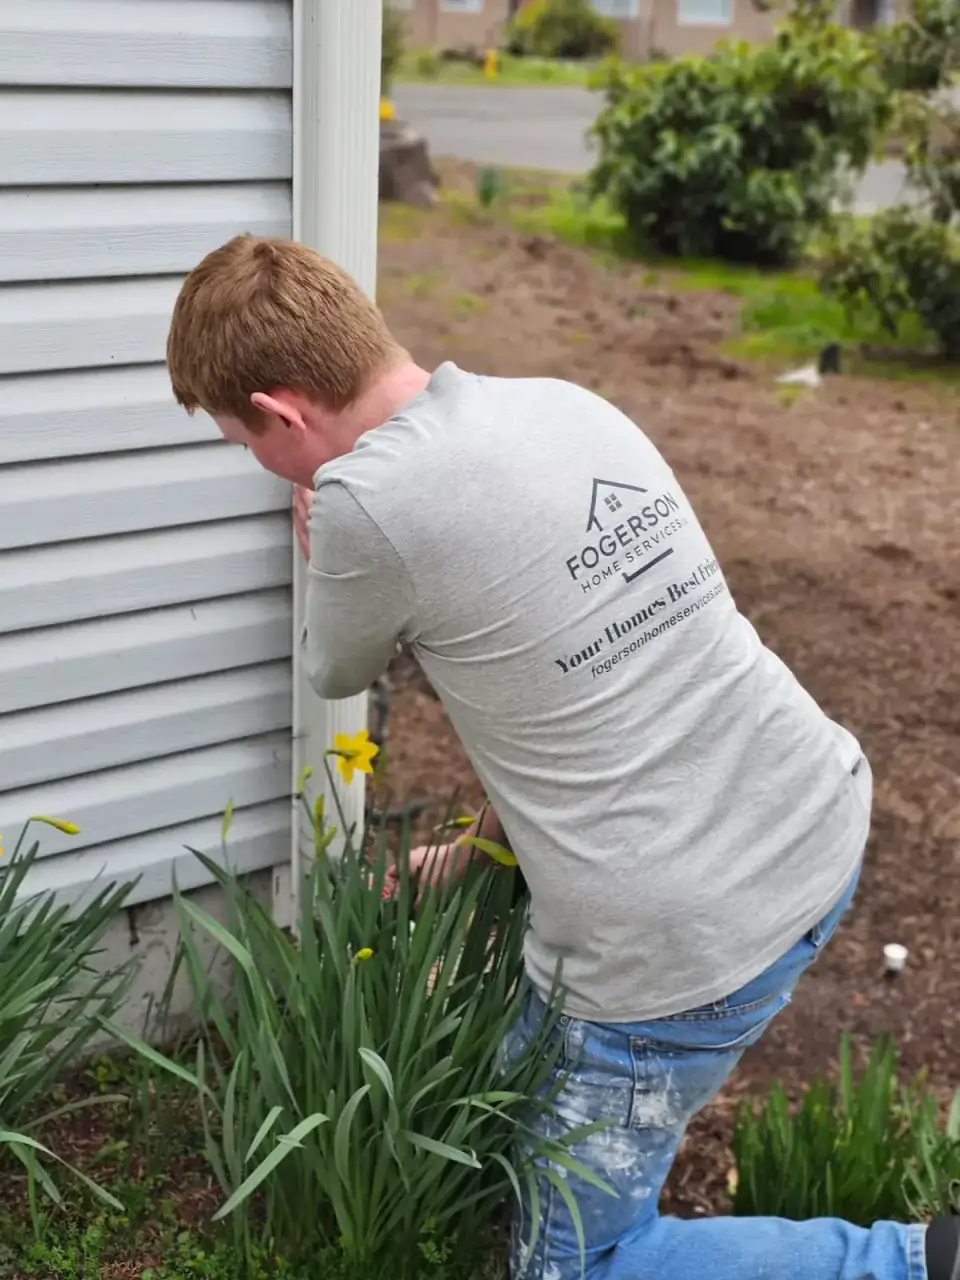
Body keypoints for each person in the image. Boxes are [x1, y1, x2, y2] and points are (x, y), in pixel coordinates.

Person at [165, 234, 958, 1280]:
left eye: (244, 441)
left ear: (282, 413)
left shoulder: (360, 502)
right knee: (523, 1077)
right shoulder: (562, 403)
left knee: (579, 1265)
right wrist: (481, 849)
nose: (259, 462)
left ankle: (910, 1262)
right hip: (812, 812)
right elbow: (580, 692)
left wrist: (319, 534)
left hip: (681, 932)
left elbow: (330, 668)